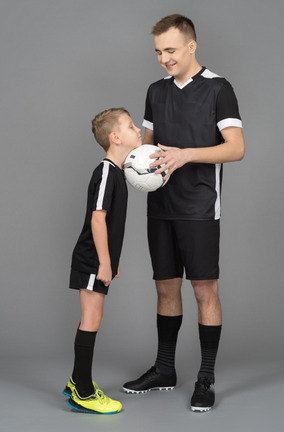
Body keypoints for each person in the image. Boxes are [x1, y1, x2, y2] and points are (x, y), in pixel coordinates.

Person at [123, 14, 245, 412]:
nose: (164, 59)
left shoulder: (218, 89)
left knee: (203, 289)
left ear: (192, 45)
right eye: (158, 52)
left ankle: (206, 377)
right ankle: (164, 368)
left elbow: (236, 148)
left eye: (171, 50)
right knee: (165, 287)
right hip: (160, 205)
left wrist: (186, 155)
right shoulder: (155, 91)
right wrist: (134, 164)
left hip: (199, 205)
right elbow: (146, 145)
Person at [63, 108, 142, 414]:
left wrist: (113, 259)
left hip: (98, 259)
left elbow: (108, 226)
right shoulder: (107, 171)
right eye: (131, 126)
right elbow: (98, 220)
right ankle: (82, 392)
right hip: (91, 259)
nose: (138, 130)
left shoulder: (118, 172)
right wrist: (105, 263)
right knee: (91, 320)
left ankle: (76, 381)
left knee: (93, 319)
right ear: (115, 137)